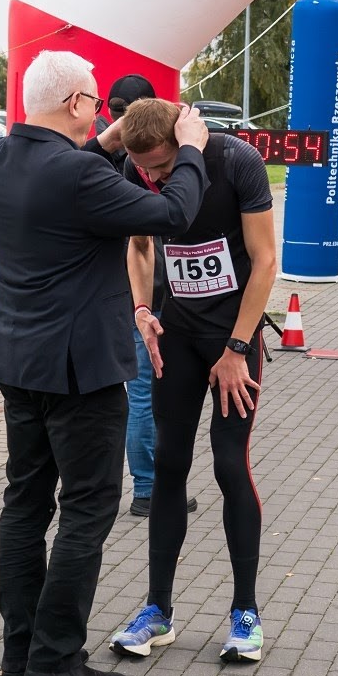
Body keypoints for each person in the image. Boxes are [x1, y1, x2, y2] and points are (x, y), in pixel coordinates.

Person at [0, 50, 209, 676]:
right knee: (88, 508)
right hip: (80, 372)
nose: (101, 110)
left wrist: (105, 138)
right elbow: (172, 214)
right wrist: (192, 149)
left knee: (24, 504)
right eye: (96, 101)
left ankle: (21, 652)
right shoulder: (75, 176)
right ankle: (56, 660)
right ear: (74, 104)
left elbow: (69, 177)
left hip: (17, 359)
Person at [108, 98, 277, 664]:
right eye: (145, 172)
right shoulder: (136, 167)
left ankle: (245, 612)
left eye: (161, 167)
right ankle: (157, 610)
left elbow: (265, 260)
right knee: (168, 466)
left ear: (185, 143)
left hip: (233, 334)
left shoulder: (237, 162)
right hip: (175, 335)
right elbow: (138, 245)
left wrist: (235, 348)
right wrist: (140, 310)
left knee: (230, 464)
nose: (154, 180)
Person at [94, 73, 198, 518]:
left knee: (142, 395)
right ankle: (149, 488)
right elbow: (148, 237)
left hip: (132, 296)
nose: (154, 172)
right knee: (145, 397)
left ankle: (148, 486)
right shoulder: (138, 167)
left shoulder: (104, 163)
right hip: (153, 297)